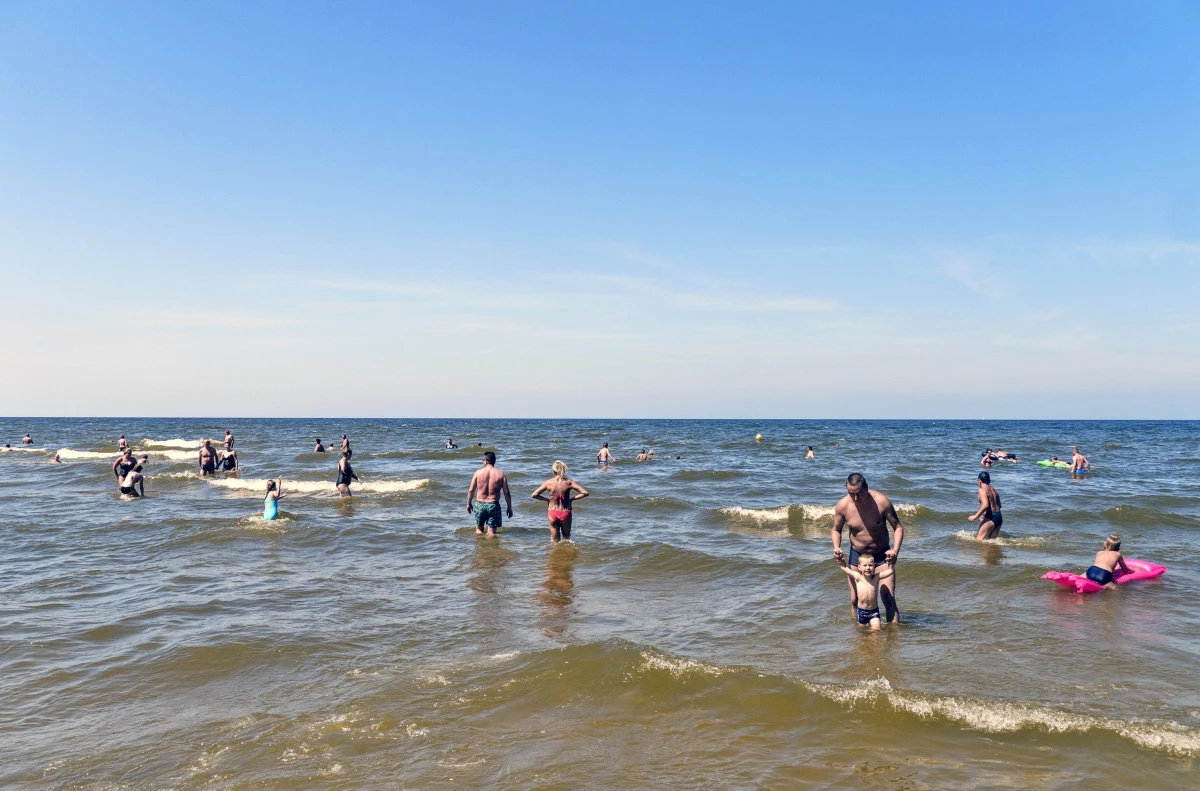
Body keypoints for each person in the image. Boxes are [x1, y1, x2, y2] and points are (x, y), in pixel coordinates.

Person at [832, 473, 904, 624]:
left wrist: (895, 552)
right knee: (855, 598)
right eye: (851, 494)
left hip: (881, 554)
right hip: (857, 556)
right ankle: (858, 637)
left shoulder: (881, 502)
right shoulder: (843, 506)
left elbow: (897, 527)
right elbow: (836, 529)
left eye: (859, 493)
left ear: (866, 488)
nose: (856, 498)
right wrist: (837, 547)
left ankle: (893, 641)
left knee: (888, 598)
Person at [531, 460, 590, 543]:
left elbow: (534, 495)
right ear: (564, 470)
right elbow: (585, 493)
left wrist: (547, 500)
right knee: (567, 540)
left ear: (553, 471)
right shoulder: (569, 482)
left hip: (552, 513)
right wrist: (571, 500)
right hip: (565, 513)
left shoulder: (548, 483)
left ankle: (556, 555)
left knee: (555, 542)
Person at [836, 553, 894, 630]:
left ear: (874, 566)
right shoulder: (858, 577)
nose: (868, 568)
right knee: (862, 631)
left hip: (873, 611)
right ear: (859, 567)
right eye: (865, 565)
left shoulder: (876, 577)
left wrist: (891, 564)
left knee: (877, 629)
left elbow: (890, 571)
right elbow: (845, 568)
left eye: (870, 565)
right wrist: (841, 561)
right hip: (861, 612)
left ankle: (874, 641)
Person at [467, 451, 512, 537]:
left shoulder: (478, 473)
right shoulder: (501, 474)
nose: (482, 462)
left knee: (479, 529)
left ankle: (480, 548)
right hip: (493, 504)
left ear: (486, 461)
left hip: (480, 504)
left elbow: (471, 490)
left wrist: (468, 504)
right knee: (492, 533)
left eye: (483, 460)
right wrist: (509, 507)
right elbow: (506, 492)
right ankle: (491, 549)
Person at [967, 471, 1003, 540]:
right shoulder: (994, 490)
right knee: (991, 542)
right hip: (999, 517)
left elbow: (985, 505)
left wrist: (975, 516)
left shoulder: (982, 490)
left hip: (991, 517)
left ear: (979, 481)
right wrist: (984, 515)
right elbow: (999, 506)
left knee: (979, 541)